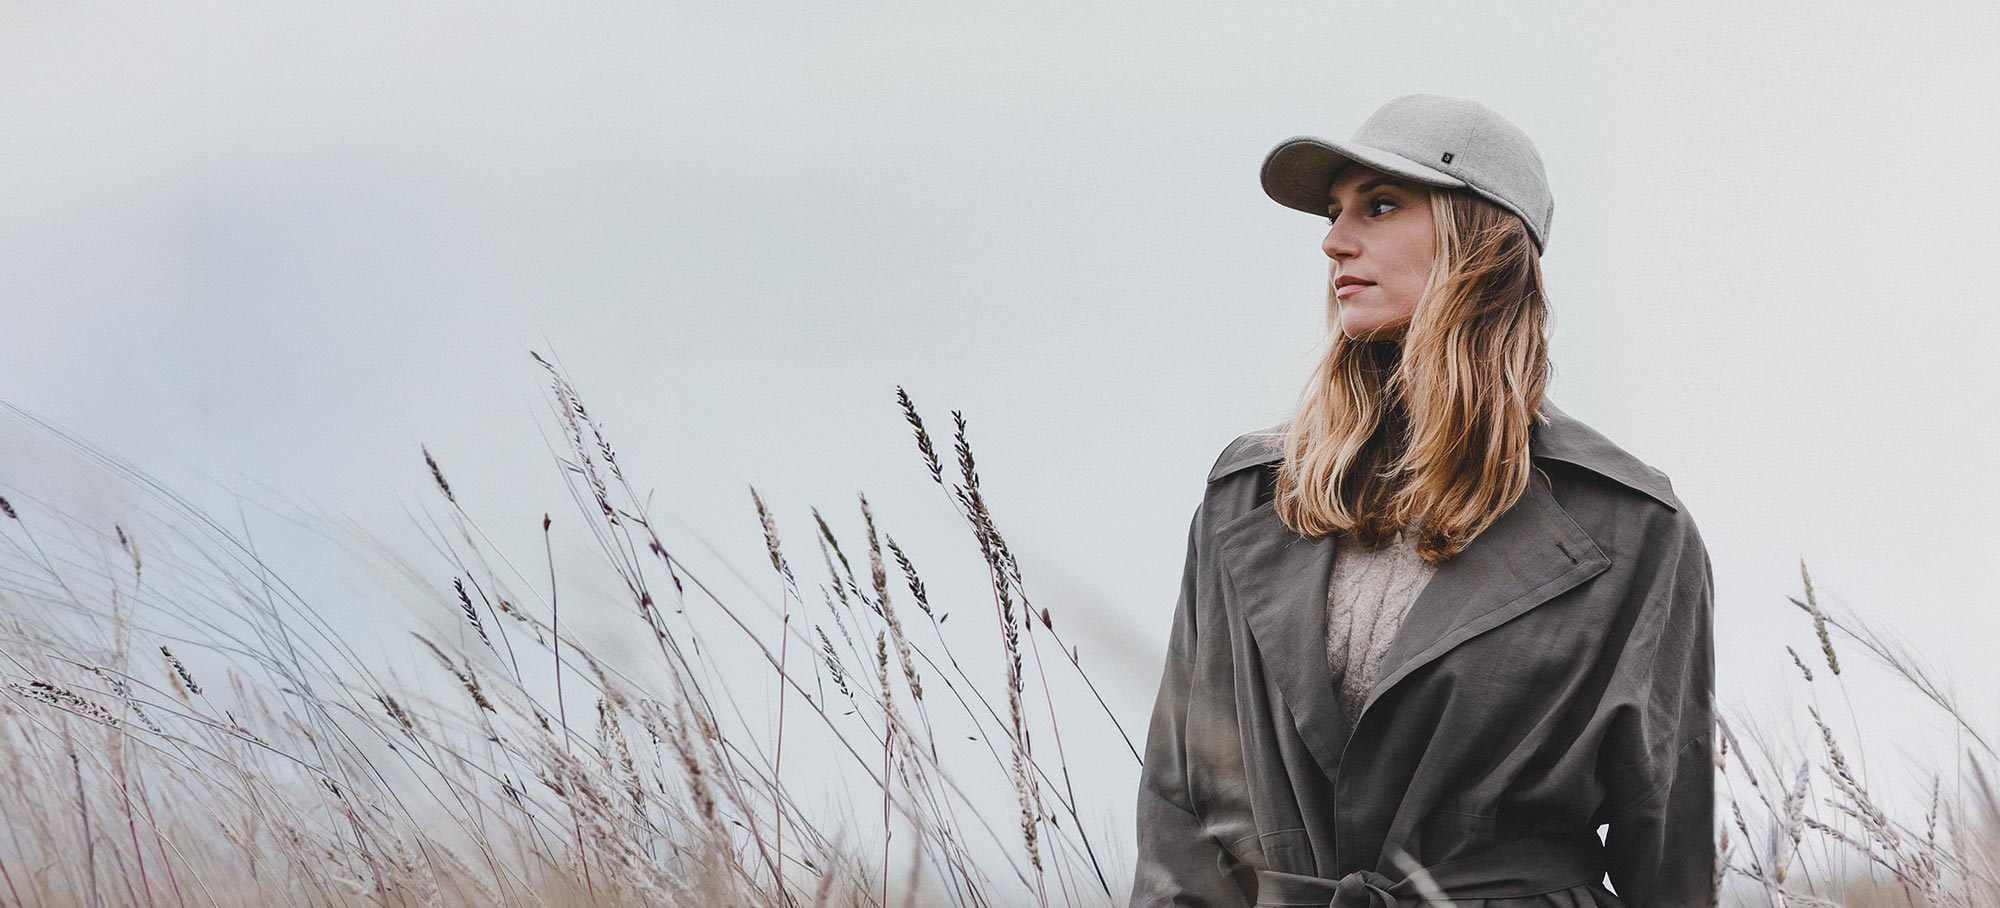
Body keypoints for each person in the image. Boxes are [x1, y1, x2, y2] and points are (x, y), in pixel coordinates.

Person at [1128, 94, 1716, 908]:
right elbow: (1180, 815)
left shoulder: (1631, 527)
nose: (1334, 241)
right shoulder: (1250, 498)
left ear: (1479, 240)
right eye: (1333, 213)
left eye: (1379, 205)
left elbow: (1669, 846)